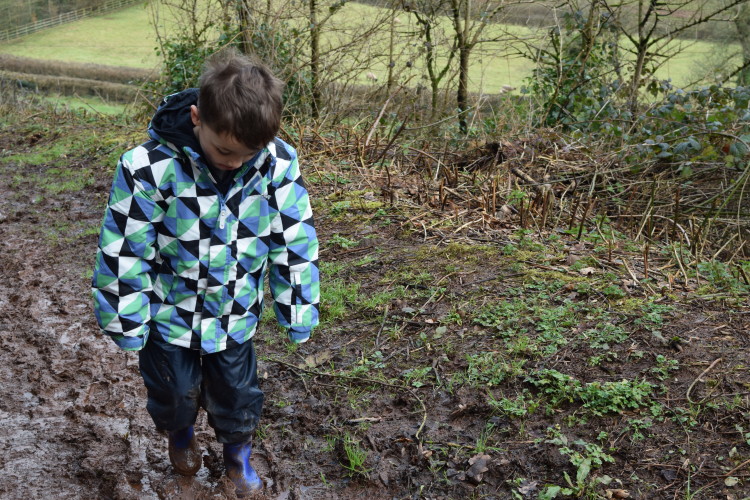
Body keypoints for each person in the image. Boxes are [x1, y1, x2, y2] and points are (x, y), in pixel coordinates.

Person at [91, 50, 320, 496]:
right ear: (197, 118)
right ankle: (181, 436)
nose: (234, 162)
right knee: (173, 391)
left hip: (233, 311)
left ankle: (238, 457)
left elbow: (293, 241)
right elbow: (124, 247)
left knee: (238, 394)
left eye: (247, 154)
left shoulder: (275, 164)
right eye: (223, 150)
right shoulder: (148, 168)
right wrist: (127, 317)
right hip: (168, 311)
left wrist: (298, 309)